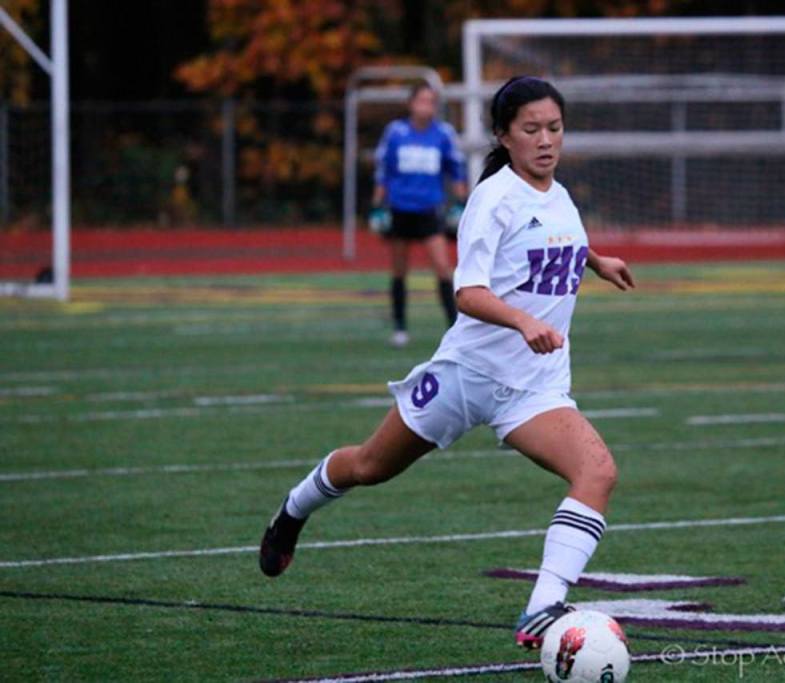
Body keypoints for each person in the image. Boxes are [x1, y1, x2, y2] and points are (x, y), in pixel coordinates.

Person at [260, 76, 636, 650]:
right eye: (531, 129)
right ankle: (292, 511)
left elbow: (552, 242)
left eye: (554, 128)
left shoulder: (558, 195)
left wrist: (596, 260)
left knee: (598, 472)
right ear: (503, 135)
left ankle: (541, 608)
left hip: (533, 389)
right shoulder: (492, 197)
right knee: (368, 466)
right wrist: (523, 320)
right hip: (467, 375)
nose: (545, 140)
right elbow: (468, 293)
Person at [370, 81, 468, 348]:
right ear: (411, 103)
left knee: (443, 269)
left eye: (431, 101)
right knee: (399, 270)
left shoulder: (443, 134)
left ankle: (454, 329)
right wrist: (377, 206)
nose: (427, 106)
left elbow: (456, 169)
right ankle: (400, 327)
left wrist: (461, 201)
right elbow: (383, 171)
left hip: (429, 210)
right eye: (422, 100)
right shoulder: (396, 133)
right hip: (400, 209)